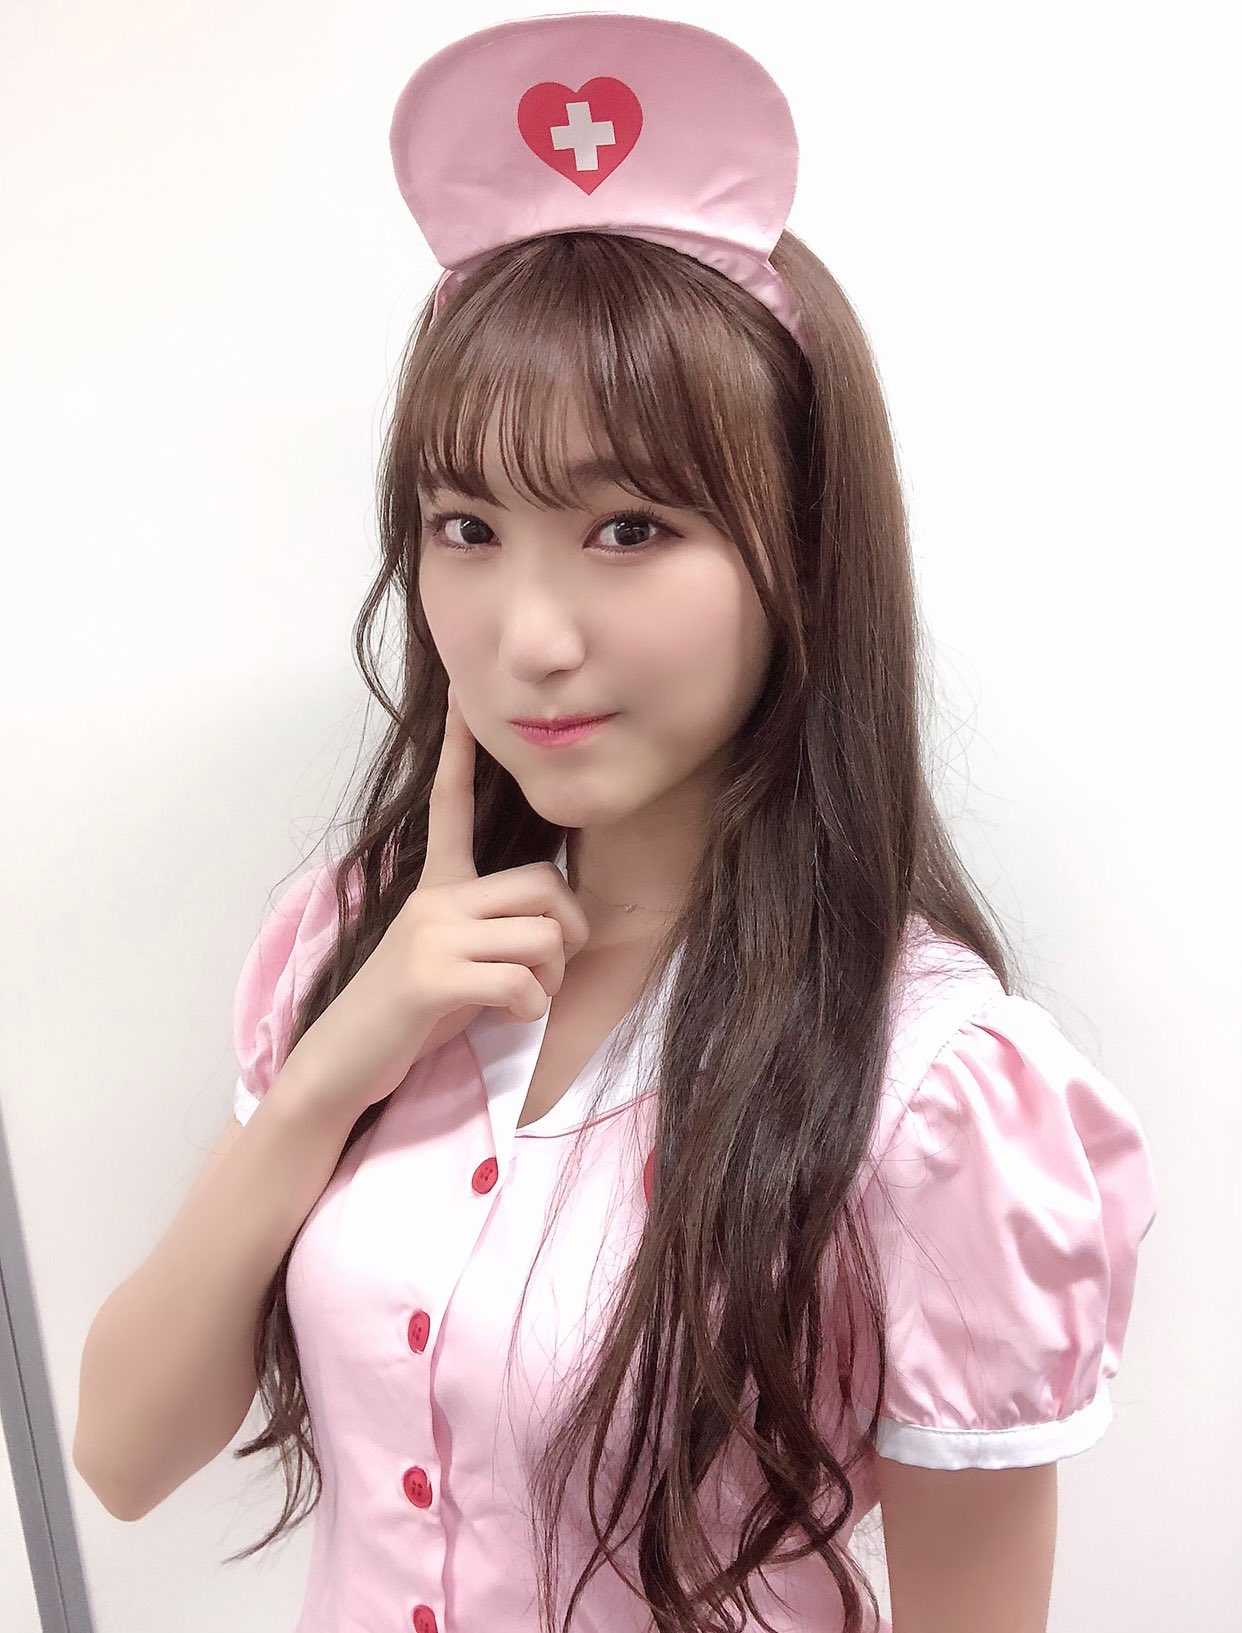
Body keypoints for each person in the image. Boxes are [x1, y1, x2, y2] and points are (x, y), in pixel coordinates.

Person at [72, 15, 1158, 1633]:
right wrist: (328, 1074)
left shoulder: (925, 1086)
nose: (526, 635)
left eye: (630, 527)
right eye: (465, 525)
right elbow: (121, 1453)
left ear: (803, 548)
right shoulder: (360, 942)